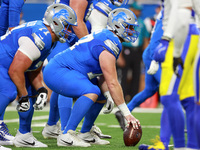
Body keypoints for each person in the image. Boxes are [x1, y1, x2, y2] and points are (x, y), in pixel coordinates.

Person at [43, 7, 140, 147]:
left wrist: (107, 94)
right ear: (118, 25)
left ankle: (85, 133)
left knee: (100, 94)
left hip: (69, 71)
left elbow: (102, 77)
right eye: (129, 27)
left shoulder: (109, 37)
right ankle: (67, 134)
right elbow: (113, 82)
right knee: (92, 91)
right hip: (58, 70)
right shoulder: (109, 42)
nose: (131, 31)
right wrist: (126, 113)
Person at [0, 3, 77, 147]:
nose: (69, 30)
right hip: (3, 62)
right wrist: (22, 97)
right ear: (55, 23)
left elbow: (34, 68)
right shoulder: (41, 36)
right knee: (8, 92)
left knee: (32, 92)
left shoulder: (49, 37)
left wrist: (41, 89)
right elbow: (15, 71)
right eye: (66, 25)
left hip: (9, 63)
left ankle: (24, 135)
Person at [117, 2, 149, 102]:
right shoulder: (124, 22)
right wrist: (119, 56)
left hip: (137, 51)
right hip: (126, 50)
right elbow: (119, 39)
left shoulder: (141, 23)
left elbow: (145, 40)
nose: (138, 12)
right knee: (124, 74)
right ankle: (122, 97)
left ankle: (134, 97)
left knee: (137, 75)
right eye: (137, 10)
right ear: (131, 9)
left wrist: (145, 55)